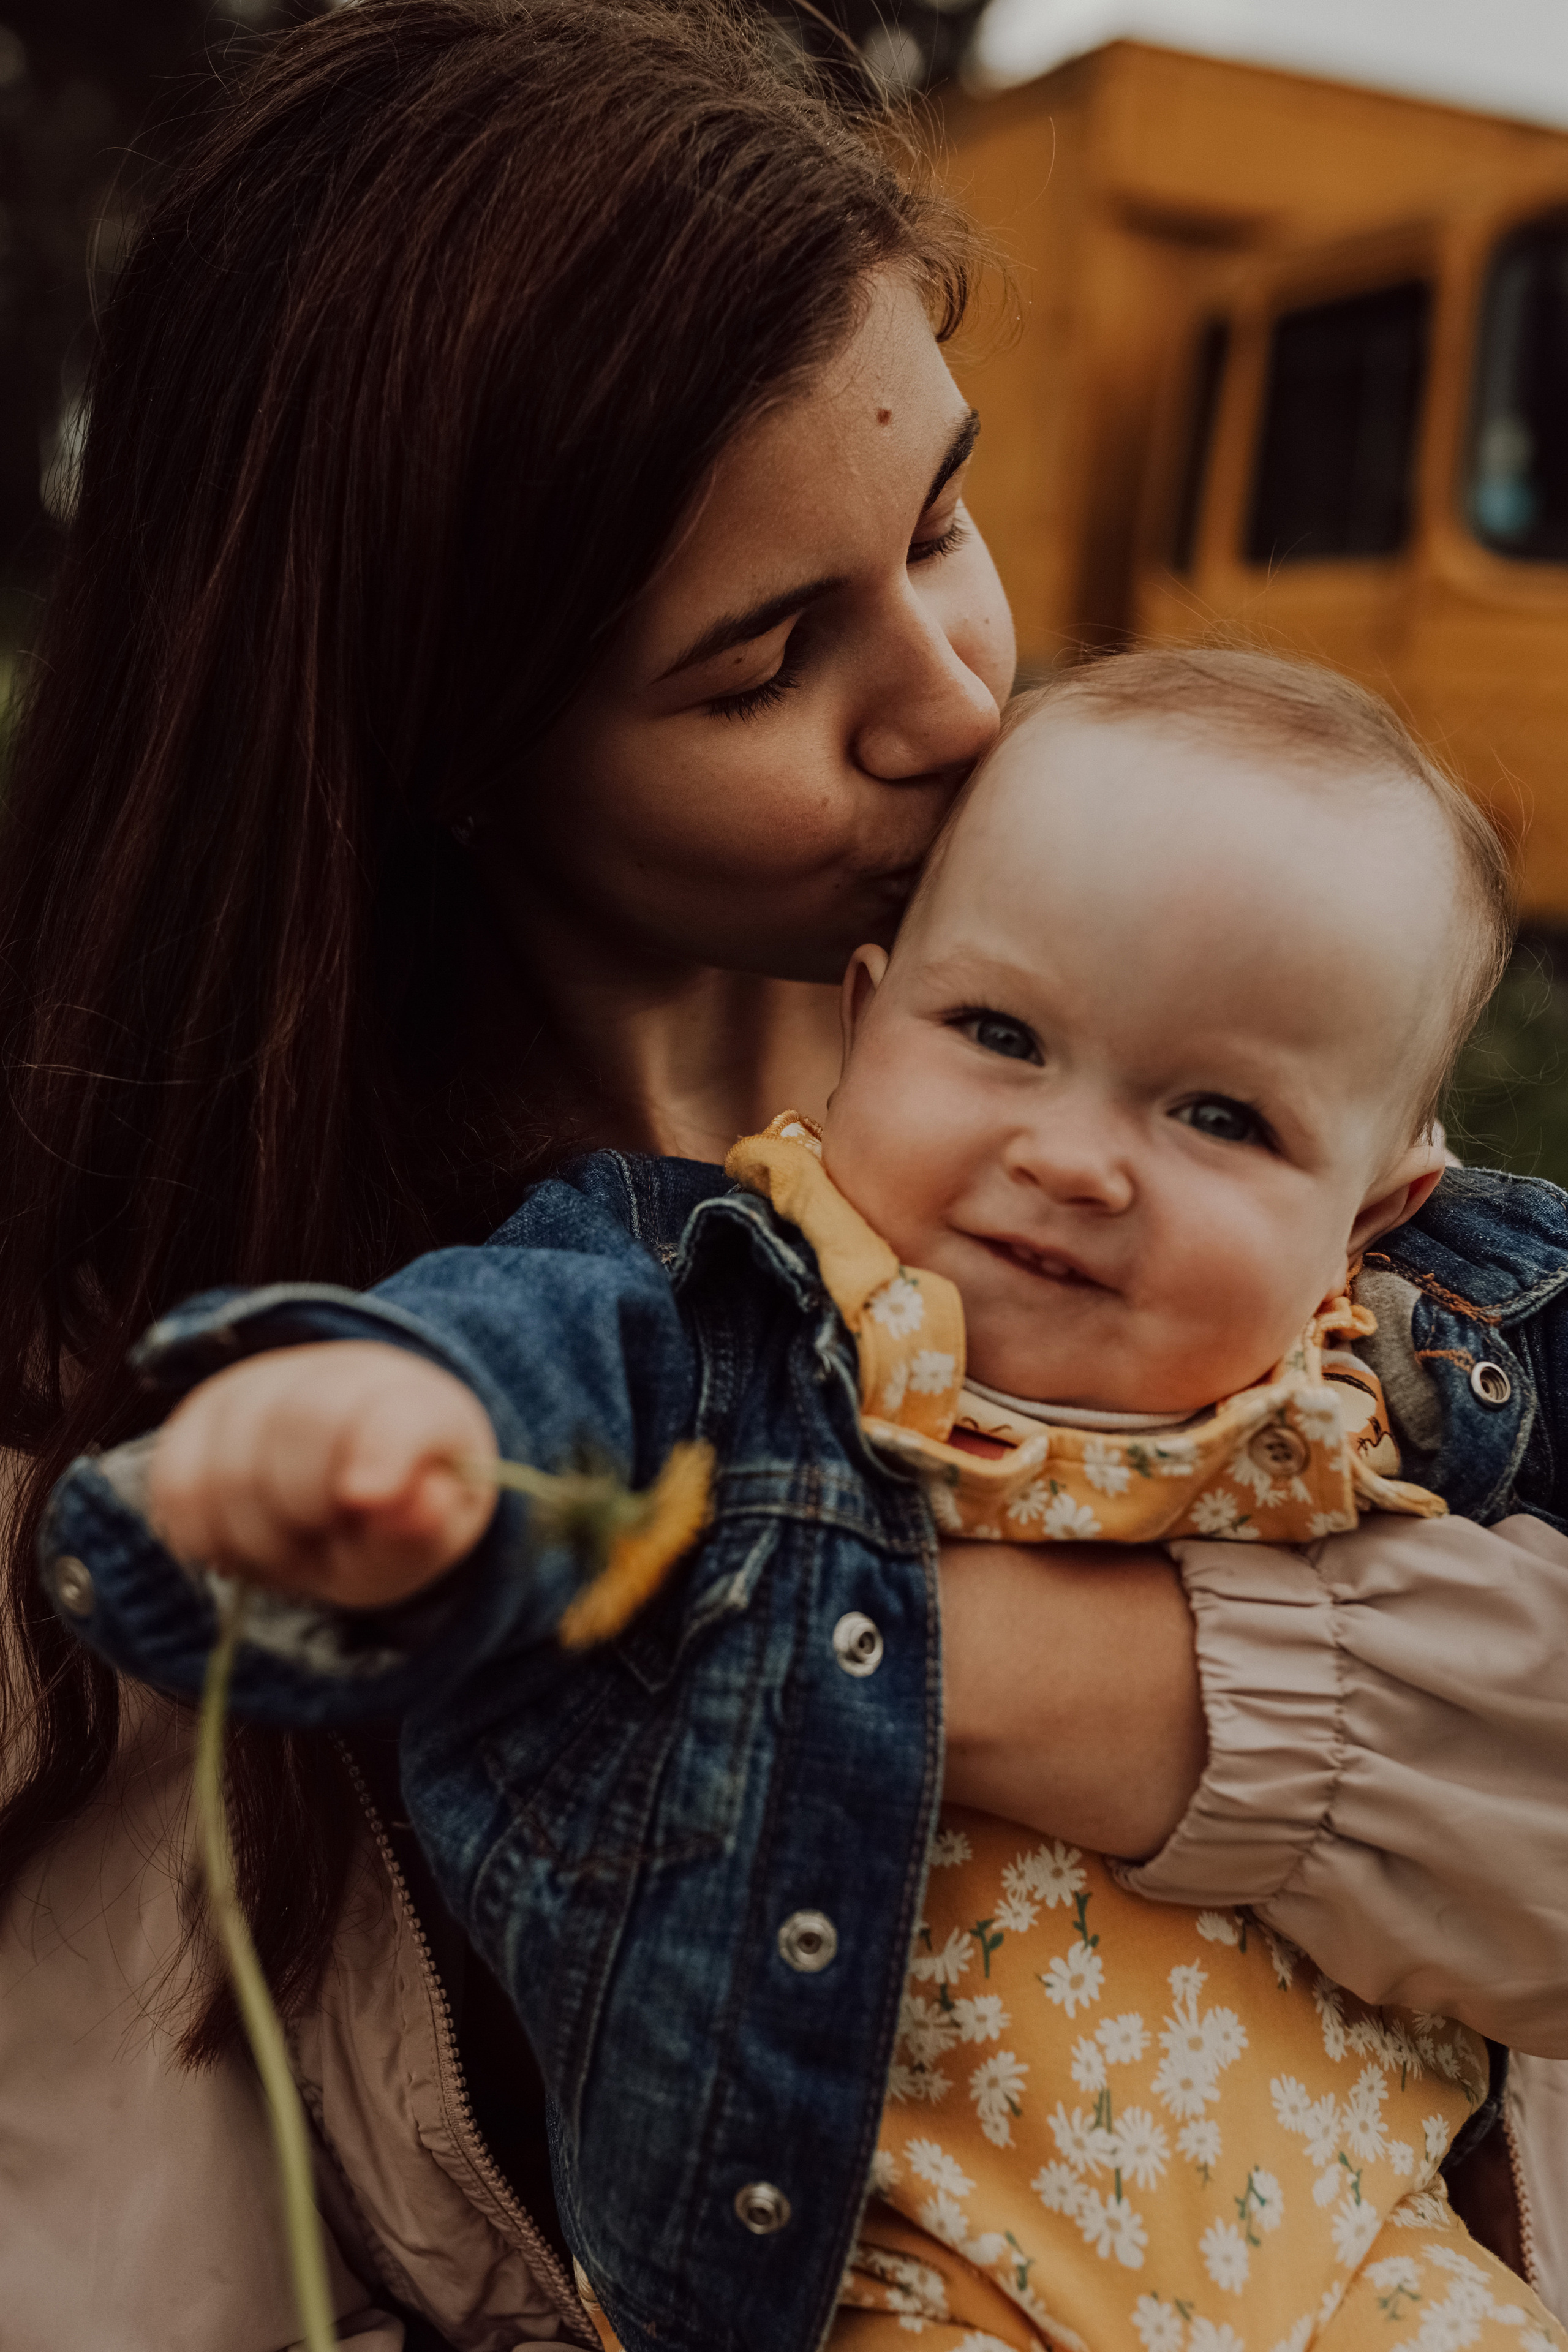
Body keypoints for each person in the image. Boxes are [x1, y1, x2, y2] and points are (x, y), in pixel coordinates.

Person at [2, 4, 1566, 2346]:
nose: (955, 697)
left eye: (942, 514)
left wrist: (793, 1609)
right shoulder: (328, 1358)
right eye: (761, 663)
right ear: (445, 735)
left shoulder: (1233, 1147)